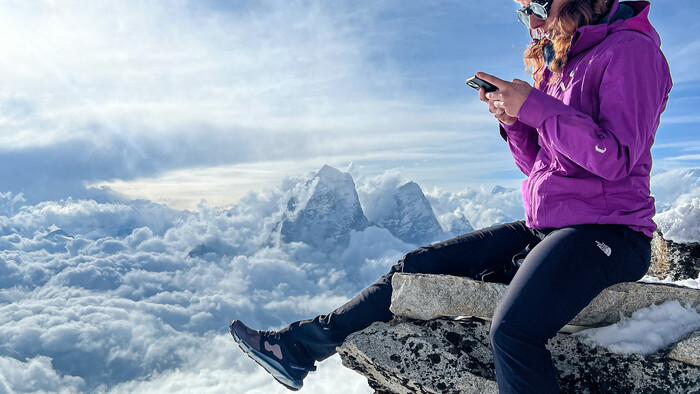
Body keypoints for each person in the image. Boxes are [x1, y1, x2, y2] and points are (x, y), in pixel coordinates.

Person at [229, 0, 672, 392]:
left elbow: (615, 157)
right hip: (545, 227)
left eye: (537, 5)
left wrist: (534, 107)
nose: (532, 21)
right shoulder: (562, 61)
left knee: (515, 331)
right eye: (523, 11)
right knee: (415, 270)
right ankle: (299, 349)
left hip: (610, 232)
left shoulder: (631, 52)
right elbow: (541, 164)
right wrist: (516, 121)